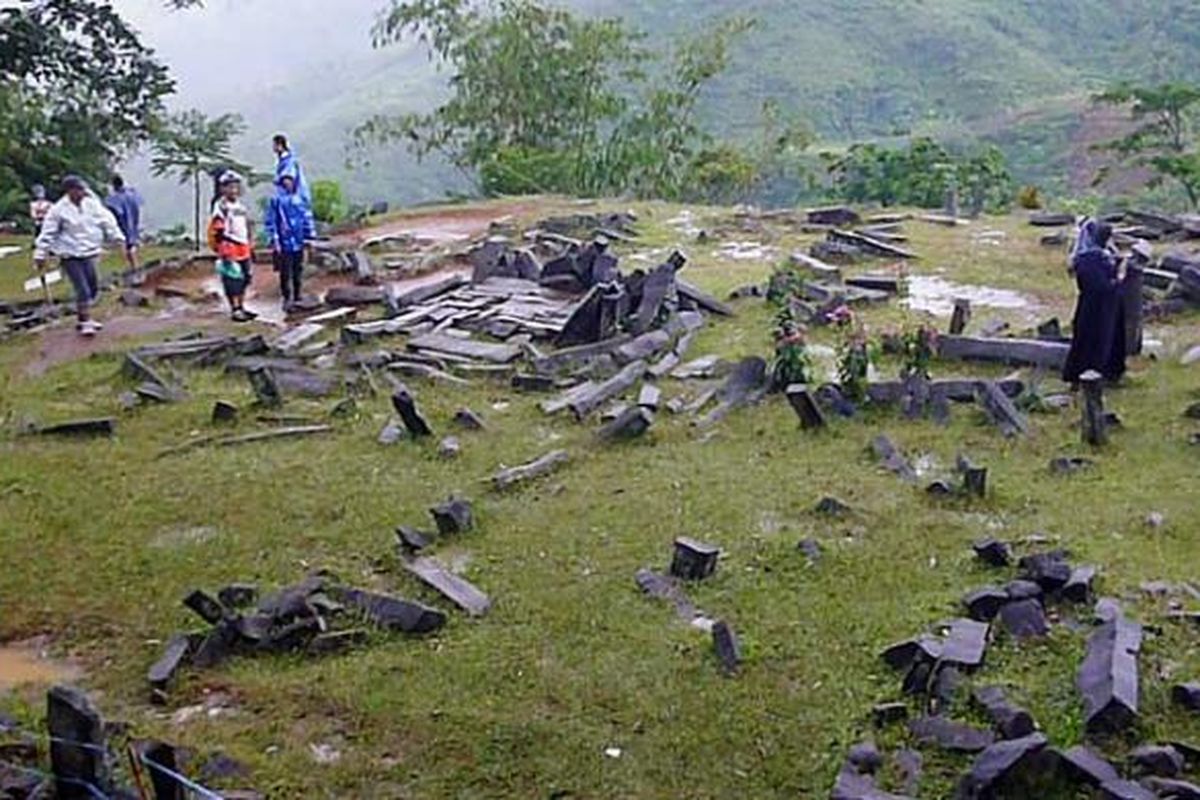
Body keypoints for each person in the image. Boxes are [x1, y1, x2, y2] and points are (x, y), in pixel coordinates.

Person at [32, 175, 125, 336]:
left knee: (93, 286)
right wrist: (41, 253)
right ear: (70, 191)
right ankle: (85, 321)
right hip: (70, 254)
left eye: (83, 188)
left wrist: (117, 238)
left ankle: (83, 317)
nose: (83, 192)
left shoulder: (92, 204)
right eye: (79, 189)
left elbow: (106, 221)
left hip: (90, 251)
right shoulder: (58, 210)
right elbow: (48, 233)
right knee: (82, 289)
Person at [1062, 218, 1127, 385]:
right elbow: (1098, 285)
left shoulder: (1104, 255)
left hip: (1107, 306)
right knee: (1092, 340)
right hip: (1094, 307)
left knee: (1108, 339)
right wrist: (1117, 281)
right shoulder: (1086, 259)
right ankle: (1086, 376)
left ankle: (1109, 373)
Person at [209, 171, 257, 322]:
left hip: (243, 247)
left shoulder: (241, 207)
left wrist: (251, 242)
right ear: (223, 189)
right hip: (230, 246)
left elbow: (247, 224)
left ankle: (242, 306)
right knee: (232, 279)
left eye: (236, 187)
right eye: (230, 187)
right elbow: (218, 228)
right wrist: (223, 247)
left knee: (244, 278)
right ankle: (235, 308)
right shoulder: (221, 207)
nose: (233, 190)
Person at [265, 174, 316, 313]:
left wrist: (309, 237)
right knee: (285, 271)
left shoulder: (299, 200)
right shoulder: (276, 201)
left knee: (298, 269)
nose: (288, 184)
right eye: (285, 182)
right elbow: (271, 221)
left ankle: (298, 295)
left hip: (298, 241)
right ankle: (287, 297)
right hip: (284, 242)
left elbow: (306, 218)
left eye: (291, 181)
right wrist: (274, 239)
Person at [104, 174, 143, 270]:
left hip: (123, 223)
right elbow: (140, 203)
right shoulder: (132, 193)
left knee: (125, 243)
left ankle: (132, 266)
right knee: (132, 241)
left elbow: (113, 210)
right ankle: (134, 265)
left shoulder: (115, 198)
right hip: (134, 220)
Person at [272, 133, 311, 205]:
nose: (273, 147)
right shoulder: (284, 160)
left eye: (274, 145)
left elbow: (288, 180)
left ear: (280, 145)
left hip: (290, 199)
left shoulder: (288, 161)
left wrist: (290, 199)